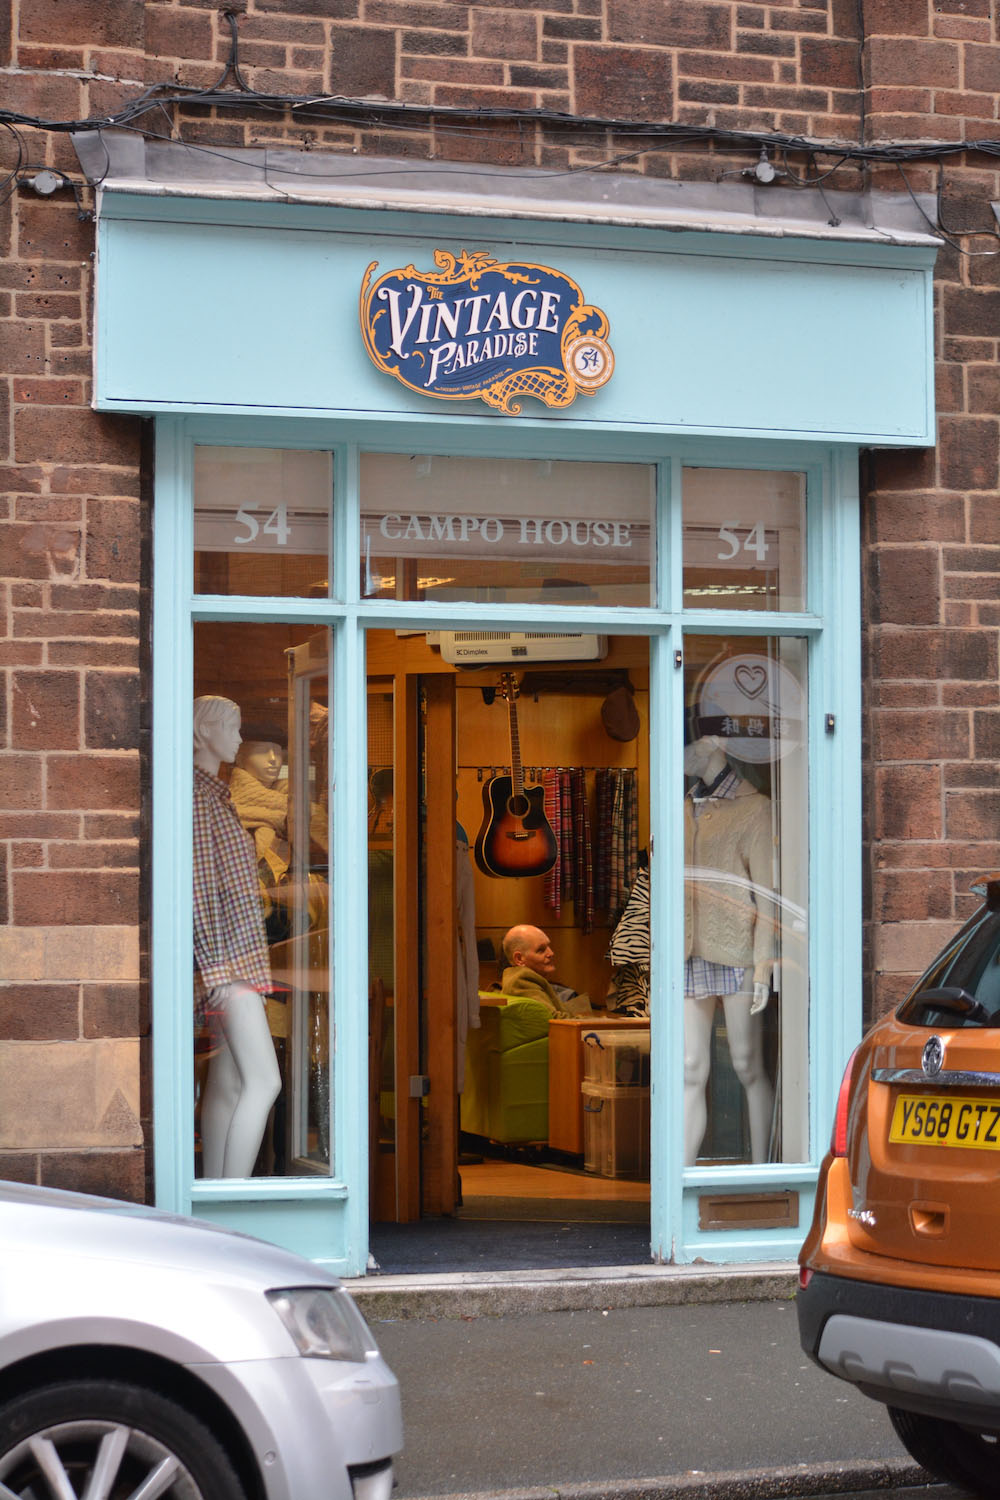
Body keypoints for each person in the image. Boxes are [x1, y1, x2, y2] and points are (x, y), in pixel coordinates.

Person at [193, 695, 281, 1179]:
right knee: (265, 1082)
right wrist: (215, 968)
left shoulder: (216, 797)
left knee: (227, 1085)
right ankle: (233, 1197)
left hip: (235, 962)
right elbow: (200, 891)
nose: (240, 739)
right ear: (204, 731)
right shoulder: (197, 799)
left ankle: (214, 1198)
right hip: (228, 967)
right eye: (232, 727)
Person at [683, 734, 775, 1167]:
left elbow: (768, 897)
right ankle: (681, 1176)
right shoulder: (681, 806)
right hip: (687, 952)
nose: (682, 756)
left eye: (689, 746)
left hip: (737, 949)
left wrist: (764, 966)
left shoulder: (754, 808)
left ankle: (762, 1172)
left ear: (712, 745)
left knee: (747, 1065)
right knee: (689, 1067)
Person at [500, 924, 592, 1017]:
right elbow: (552, 1018)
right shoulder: (522, 980)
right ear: (519, 959)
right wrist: (590, 1021)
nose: (551, 953)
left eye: (549, 946)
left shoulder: (518, 978)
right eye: (541, 950)